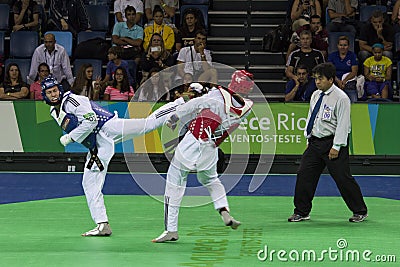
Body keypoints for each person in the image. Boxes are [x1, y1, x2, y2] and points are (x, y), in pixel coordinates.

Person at [41, 75, 184, 236]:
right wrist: (91, 147)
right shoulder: (54, 111)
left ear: (59, 90)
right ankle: (102, 224)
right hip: (98, 142)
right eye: (49, 92)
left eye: (54, 91)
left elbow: (91, 121)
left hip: (107, 127)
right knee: (89, 182)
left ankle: (179, 104)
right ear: (44, 95)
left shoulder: (72, 101)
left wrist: (70, 138)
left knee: (147, 124)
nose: (53, 94)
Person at [152, 70, 254, 243]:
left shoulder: (217, 94)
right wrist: (206, 92)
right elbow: (220, 109)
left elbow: (195, 105)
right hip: (211, 147)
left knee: (174, 181)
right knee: (211, 180)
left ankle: (171, 230)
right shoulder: (246, 108)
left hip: (194, 139)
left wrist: (175, 116)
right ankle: (224, 211)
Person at [288, 62, 368, 223]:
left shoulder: (341, 98)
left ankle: (360, 210)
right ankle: (301, 211)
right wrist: (308, 137)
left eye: (321, 79)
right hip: (315, 143)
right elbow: (312, 117)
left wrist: (336, 146)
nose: (317, 82)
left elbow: (343, 124)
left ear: (331, 79)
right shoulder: (316, 95)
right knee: (304, 174)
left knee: (342, 178)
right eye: (316, 79)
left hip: (332, 143)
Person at [328, 35, 359, 102]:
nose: (343, 47)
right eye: (341, 45)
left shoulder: (352, 55)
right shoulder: (332, 56)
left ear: (348, 46)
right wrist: (338, 81)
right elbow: (330, 71)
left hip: (348, 80)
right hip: (334, 80)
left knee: (353, 100)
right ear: (337, 45)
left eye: (345, 45)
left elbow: (354, 72)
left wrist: (344, 81)